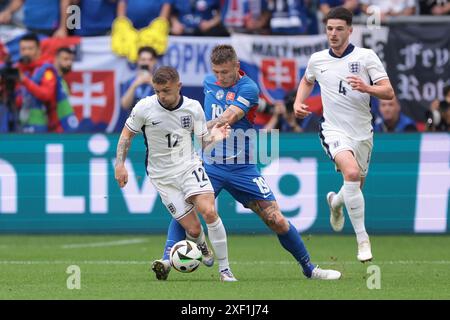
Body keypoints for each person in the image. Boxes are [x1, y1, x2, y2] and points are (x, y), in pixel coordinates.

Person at [153, 44, 342, 281]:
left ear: (237, 67)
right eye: (216, 72)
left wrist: (196, 128)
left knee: (276, 219)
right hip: (209, 164)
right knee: (186, 208)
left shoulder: (249, 88)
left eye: (225, 72)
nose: (220, 78)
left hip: (243, 167)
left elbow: (229, 117)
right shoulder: (208, 82)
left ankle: (309, 269)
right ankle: (166, 260)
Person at [114, 66, 237, 282]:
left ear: (178, 86)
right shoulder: (144, 107)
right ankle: (202, 247)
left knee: (208, 211)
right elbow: (126, 135)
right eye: (158, 91)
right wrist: (120, 164)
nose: (162, 96)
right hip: (162, 176)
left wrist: (215, 137)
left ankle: (225, 270)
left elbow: (203, 141)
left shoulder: (193, 108)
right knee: (193, 227)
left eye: (166, 91)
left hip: (189, 166)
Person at [294, 7, 394, 262]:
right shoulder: (317, 59)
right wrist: (298, 103)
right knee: (351, 173)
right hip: (333, 129)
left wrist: (367, 87)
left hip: (362, 132)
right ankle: (363, 240)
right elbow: (307, 80)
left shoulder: (366, 56)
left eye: (339, 29)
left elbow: (388, 92)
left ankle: (336, 203)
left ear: (350, 30)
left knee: (354, 185)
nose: (333, 34)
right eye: (329, 29)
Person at [16, 33, 78, 133]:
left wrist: (24, 81)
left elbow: (46, 95)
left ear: (39, 49)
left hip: (42, 126)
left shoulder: (46, 70)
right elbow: (18, 99)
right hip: (20, 125)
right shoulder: (19, 70)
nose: (26, 52)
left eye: (30, 48)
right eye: (23, 49)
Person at [120, 47, 158, 111]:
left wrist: (154, 85)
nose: (146, 63)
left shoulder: (160, 82)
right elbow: (125, 105)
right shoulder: (129, 82)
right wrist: (134, 86)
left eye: (150, 60)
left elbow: (167, 103)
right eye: (143, 59)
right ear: (138, 61)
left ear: (154, 61)